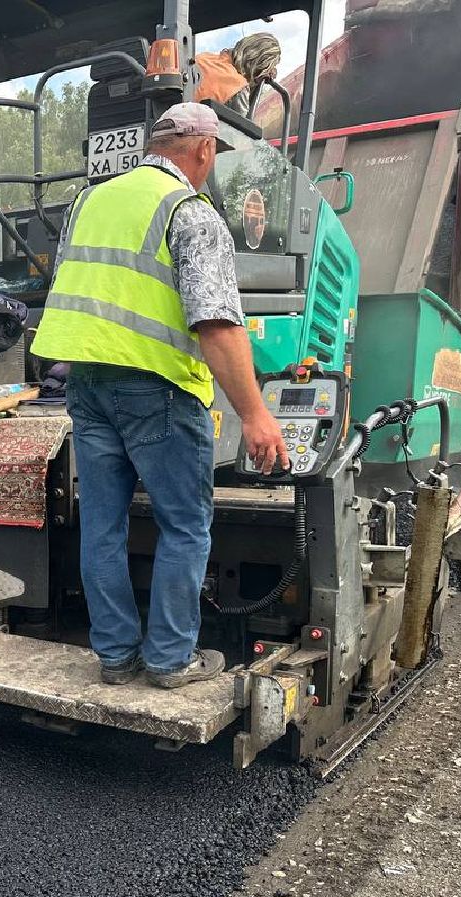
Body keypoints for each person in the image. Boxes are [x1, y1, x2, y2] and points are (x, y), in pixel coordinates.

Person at [32, 102, 289, 690]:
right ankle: (171, 660)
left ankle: (116, 657)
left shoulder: (87, 202)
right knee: (186, 526)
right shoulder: (190, 212)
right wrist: (254, 414)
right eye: (213, 156)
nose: (211, 167)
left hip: (87, 384)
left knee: (101, 526)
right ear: (201, 149)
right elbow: (217, 324)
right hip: (159, 387)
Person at [195, 32, 282, 115]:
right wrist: (256, 84)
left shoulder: (203, 57)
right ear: (259, 66)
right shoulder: (238, 87)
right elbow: (242, 126)